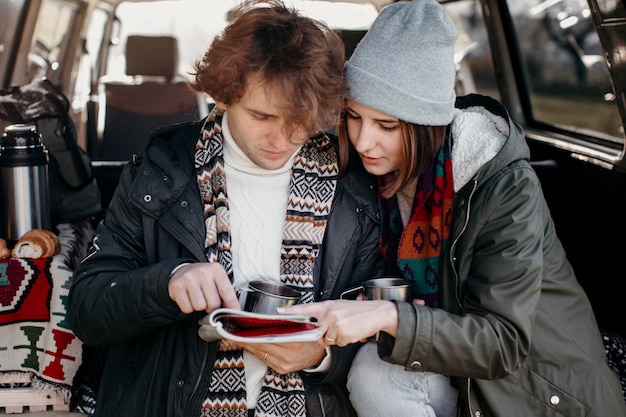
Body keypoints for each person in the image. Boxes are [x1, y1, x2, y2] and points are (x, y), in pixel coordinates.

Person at [280, 1, 626, 416]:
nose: (363, 141)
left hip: (540, 393)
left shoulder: (504, 186)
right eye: (353, 117)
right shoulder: (363, 178)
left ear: (429, 124)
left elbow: (504, 343)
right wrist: (321, 352)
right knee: (375, 371)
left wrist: (389, 316)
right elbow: (355, 310)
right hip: (450, 371)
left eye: (387, 125)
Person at [67, 1, 384, 416]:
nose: (282, 138)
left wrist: (321, 358)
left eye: (299, 121)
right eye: (261, 115)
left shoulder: (353, 187)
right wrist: (168, 282)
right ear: (224, 93)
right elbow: (87, 309)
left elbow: (378, 322)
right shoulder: (162, 165)